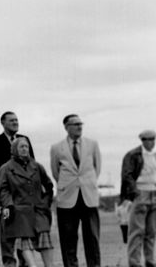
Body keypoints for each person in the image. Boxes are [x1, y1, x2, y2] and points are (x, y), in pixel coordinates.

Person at [49, 114, 102, 267]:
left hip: (88, 197)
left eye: (80, 124)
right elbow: (55, 172)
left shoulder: (92, 144)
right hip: (67, 198)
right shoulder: (56, 148)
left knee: (92, 237)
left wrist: (87, 183)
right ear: (66, 127)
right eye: (75, 124)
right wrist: (69, 185)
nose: (79, 127)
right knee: (68, 238)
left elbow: (97, 168)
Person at [0, 111, 35, 267]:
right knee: (7, 234)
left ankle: (24, 263)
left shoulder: (24, 140)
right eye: (11, 120)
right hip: (4, 197)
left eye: (17, 120)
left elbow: (32, 166)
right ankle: (9, 263)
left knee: (25, 233)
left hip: (24, 198)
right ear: (3, 123)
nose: (15, 122)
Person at [0, 137, 54, 267]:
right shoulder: (6, 169)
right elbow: (3, 190)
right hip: (20, 211)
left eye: (26, 146)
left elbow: (49, 186)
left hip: (39, 209)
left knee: (45, 238)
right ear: (14, 149)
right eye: (21, 147)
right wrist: (8, 205)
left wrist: (45, 203)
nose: (24, 149)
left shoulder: (37, 166)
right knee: (25, 240)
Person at [121, 129, 156, 267]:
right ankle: (134, 263)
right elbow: (127, 175)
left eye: (153, 139)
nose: (151, 142)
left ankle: (150, 261)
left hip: (154, 193)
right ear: (142, 140)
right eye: (148, 139)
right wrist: (134, 192)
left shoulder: (154, 155)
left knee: (151, 231)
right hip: (141, 193)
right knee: (137, 231)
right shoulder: (133, 155)